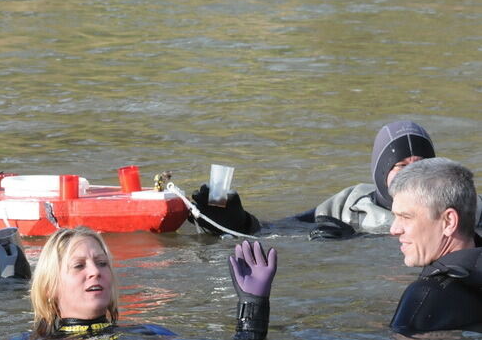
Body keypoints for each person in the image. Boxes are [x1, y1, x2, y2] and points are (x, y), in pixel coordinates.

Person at [0, 227, 278, 340]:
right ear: (50, 286)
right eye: (79, 266)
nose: (94, 273)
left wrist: (253, 307)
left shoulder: (152, 336)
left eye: (102, 264)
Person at [189, 121, 482, 240]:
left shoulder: (467, 205)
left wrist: (357, 240)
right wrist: (237, 222)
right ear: (381, 174)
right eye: (400, 166)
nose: (410, 177)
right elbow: (282, 229)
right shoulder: (350, 205)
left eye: (421, 166)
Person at [387, 158, 482, 334]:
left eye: (406, 217)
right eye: (395, 216)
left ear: (448, 222)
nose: (394, 229)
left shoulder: (425, 296)